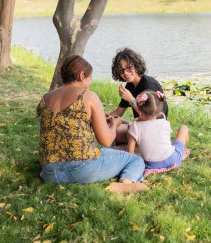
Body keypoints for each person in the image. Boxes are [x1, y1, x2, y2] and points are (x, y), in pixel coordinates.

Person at [36, 55, 149, 192]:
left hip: (49, 172)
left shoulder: (46, 98)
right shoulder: (88, 96)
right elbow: (106, 141)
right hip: (82, 170)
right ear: (82, 75)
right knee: (135, 160)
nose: (90, 82)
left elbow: (63, 122)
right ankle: (126, 182)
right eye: (90, 77)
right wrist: (115, 124)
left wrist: (94, 120)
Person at [109, 48, 168, 143]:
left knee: (115, 131)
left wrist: (131, 99)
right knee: (113, 122)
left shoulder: (149, 85)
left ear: (136, 65)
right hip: (142, 124)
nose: (125, 73)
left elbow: (151, 118)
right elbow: (119, 112)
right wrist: (101, 118)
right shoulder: (130, 85)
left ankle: (140, 148)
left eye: (129, 67)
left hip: (154, 130)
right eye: (121, 70)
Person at [127, 90, 189, 170]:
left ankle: (180, 152)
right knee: (184, 128)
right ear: (159, 110)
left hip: (151, 165)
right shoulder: (164, 122)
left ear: (140, 111)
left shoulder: (134, 126)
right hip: (172, 160)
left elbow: (130, 153)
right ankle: (181, 152)